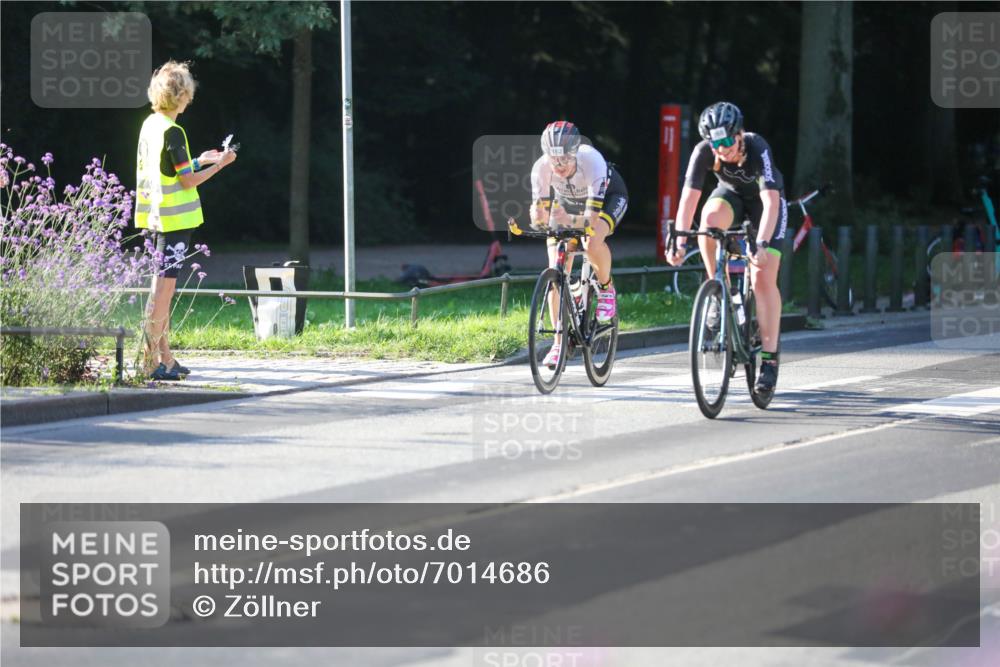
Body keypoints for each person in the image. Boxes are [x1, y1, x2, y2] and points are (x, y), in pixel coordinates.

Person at [665, 102, 787, 396]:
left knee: (762, 278)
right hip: (730, 197)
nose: (722, 149)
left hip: (764, 206)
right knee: (708, 220)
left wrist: (761, 244)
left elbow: (771, 203)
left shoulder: (757, 147)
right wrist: (679, 242)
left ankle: (769, 361)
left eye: (727, 141)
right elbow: (688, 200)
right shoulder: (704, 152)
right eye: (715, 143)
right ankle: (718, 288)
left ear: (739, 133)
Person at [135, 60, 236, 380]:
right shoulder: (174, 131)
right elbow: (187, 182)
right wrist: (220, 164)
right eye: (188, 93)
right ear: (182, 96)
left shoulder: (151, 124)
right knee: (163, 293)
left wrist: (198, 159)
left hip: (154, 216)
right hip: (174, 221)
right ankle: (150, 362)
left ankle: (166, 357)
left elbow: (168, 169)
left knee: (160, 289)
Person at [529, 121, 628, 368]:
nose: (559, 166)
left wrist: (567, 220)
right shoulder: (540, 168)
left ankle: (606, 289)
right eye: (554, 160)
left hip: (607, 200)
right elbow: (539, 215)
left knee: (591, 240)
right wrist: (537, 215)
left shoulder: (592, 160)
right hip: (570, 205)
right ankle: (558, 343)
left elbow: (591, 221)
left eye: (565, 159)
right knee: (555, 269)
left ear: (576, 152)